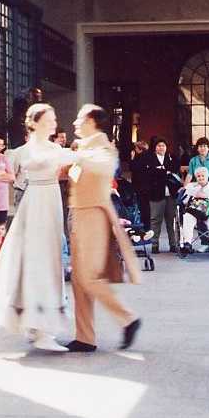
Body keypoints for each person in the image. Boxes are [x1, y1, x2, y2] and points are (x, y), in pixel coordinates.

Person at [0, 103, 84, 352]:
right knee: (36, 259)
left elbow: (68, 162)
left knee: (47, 258)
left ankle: (37, 325)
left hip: (49, 200)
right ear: (34, 123)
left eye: (54, 118)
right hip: (36, 203)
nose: (54, 122)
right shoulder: (26, 151)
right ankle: (39, 328)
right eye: (49, 119)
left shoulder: (53, 148)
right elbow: (32, 163)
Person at [64, 103, 142, 353]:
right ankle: (85, 337)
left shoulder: (103, 147)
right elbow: (70, 174)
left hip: (93, 216)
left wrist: (74, 157)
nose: (75, 123)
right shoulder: (83, 148)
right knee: (78, 279)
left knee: (88, 277)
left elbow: (100, 167)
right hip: (78, 215)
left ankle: (128, 319)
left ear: (90, 121)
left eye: (79, 118)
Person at [146, 138, 179, 253]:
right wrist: (165, 172)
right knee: (155, 220)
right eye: (159, 145)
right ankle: (154, 244)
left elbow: (175, 169)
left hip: (171, 194)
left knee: (172, 220)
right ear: (155, 147)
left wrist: (160, 171)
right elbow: (150, 174)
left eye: (163, 145)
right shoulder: (149, 159)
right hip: (156, 194)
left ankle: (173, 244)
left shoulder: (171, 158)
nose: (161, 148)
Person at [179, 167, 209, 254]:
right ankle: (187, 243)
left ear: (207, 176)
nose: (201, 178)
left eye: (203, 176)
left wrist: (206, 196)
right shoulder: (190, 186)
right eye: (198, 176)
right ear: (196, 177)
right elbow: (184, 201)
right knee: (187, 217)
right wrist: (195, 195)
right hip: (194, 211)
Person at [129, 140, 151, 230]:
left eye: (136, 148)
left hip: (140, 186)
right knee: (146, 206)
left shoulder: (139, 158)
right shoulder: (149, 156)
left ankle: (145, 225)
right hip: (147, 185)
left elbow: (133, 168)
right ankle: (147, 225)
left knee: (142, 206)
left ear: (139, 149)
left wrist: (132, 158)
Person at [8, 130, 30, 211]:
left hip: (38, 192)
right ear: (26, 138)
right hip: (22, 191)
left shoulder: (43, 152)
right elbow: (12, 173)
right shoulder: (18, 152)